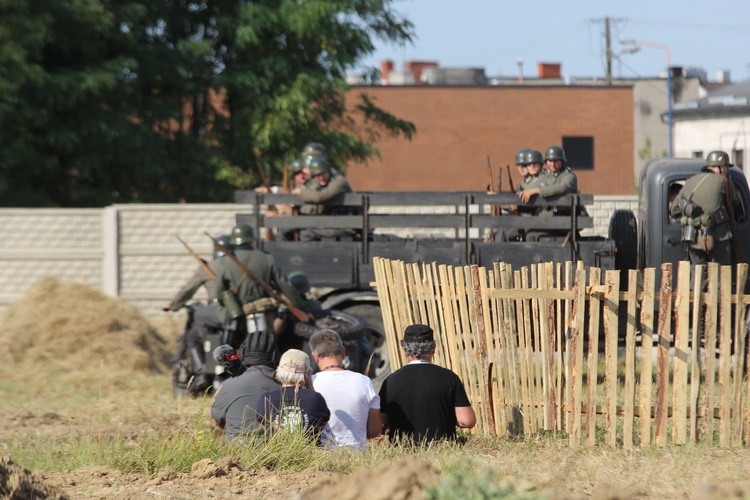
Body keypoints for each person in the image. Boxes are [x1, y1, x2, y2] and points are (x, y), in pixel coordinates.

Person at [189, 223, 308, 390]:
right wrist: (301, 307)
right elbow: (285, 285)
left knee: (200, 316)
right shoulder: (267, 258)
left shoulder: (225, 262)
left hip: (237, 316)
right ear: (252, 239)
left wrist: (233, 308)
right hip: (266, 314)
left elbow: (220, 292)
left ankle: (206, 372)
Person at [378, 324, 476, 444]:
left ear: (404, 349)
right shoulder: (449, 378)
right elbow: (467, 420)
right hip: (443, 451)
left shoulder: (390, 381)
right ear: (434, 348)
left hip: (404, 455)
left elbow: (380, 425)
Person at [309, 328, 381, 450]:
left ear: (315, 357)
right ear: (343, 352)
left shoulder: (310, 384)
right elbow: (375, 432)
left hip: (322, 458)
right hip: (359, 457)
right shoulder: (364, 382)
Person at [670, 150, 743, 266]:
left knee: (698, 277)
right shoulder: (723, 181)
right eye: (726, 167)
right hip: (719, 238)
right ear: (719, 168)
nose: (727, 171)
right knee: (721, 277)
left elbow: (674, 210)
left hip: (694, 238)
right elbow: (736, 204)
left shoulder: (690, 182)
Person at [211, 330, 281, 442]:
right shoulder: (285, 387)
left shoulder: (228, 385)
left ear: (242, 354)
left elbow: (217, 421)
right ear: (276, 356)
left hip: (236, 452)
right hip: (276, 452)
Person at [257, 349, 330, 443]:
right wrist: (310, 387)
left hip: (276, 455)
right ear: (307, 374)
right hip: (309, 454)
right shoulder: (315, 398)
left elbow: (263, 424)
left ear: (279, 371)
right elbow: (324, 422)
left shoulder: (266, 398)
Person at [293, 156, 357, 241]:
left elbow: (320, 197)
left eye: (322, 174)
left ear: (328, 172)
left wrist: (301, 192)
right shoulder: (323, 184)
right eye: (317, 176)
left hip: (345, 226)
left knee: (307, 233)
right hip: (333, 223)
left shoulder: (339, 181)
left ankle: (309, 254)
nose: (320, 178)